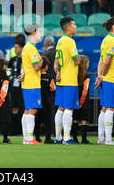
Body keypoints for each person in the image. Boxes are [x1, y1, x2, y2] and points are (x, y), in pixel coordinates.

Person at [95, 17, 114, 145]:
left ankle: (101, 138)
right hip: (111, 78)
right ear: (113, 26)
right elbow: (107, 61)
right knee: (111, 108)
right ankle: (108, 139)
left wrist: (100, 76)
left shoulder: (105, 39)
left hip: (105, 78)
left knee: (104, 108)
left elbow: (100, 60)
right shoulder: (112, 41)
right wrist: (104, 75)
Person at [54, 17, 81, 145]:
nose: (76, 27)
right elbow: (77, 60)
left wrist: (58, 72)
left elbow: (56, 63)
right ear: (69, 27)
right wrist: (79, 58)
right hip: (70, 79)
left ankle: (58, 138)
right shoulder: (70, 42)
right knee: (69, 108)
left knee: (61, 108)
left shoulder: (60, 41)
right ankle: (66, 138)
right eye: (74, 25)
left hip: (61, 79)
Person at [21, 24, 43, 145]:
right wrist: (42, 60)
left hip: (27, 82)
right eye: (39, 32)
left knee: (27, 110)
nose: (40, 34)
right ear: (34, 32)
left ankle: (26, 138)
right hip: (32, 83)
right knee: (32, 110)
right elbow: (36, 67)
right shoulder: (31, 48)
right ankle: (29, 138)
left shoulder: (26, 47)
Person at [71, 55, 91, 144]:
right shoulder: (86, 76)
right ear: (84, 65)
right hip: (83, 101)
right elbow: (85, 90)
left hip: (75, 99)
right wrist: (82, 102)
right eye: (88, 63)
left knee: (75, 119)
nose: (88, 65)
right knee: (84, 119)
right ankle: (84, 139)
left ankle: (74, 139)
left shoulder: (75, 75)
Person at [37, 56, 55, 144]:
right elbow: (53, 88)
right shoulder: (49, 77)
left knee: (37, 120)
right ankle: (48, 138)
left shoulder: (36, 76)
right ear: (46, 66)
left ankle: (36, 137)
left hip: (38, 101)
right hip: (47, 101)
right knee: (48, 120)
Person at [7, 40, 24, 135]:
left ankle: (22, 130)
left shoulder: (26, 59)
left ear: (22, 48)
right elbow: (8, 70)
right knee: (14, 108)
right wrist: (11, 78)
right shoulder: (13, 59)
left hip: (24, 86)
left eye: (17, 47)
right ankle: (13, 130)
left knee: (23, 108)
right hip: (14, 87)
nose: (15, 49)